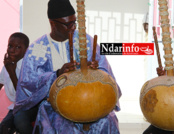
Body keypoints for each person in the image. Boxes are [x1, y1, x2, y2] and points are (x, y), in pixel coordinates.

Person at [13, 0, 121, 134]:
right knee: (65, 126)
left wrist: (93, 70)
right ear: (52, 23)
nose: (73, 27)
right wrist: (57, 74)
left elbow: (106, 73)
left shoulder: (85, 41)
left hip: (90, 101)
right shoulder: (37, 48)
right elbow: (28, 83)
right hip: (55, 106)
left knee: (107, 119)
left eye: (74, 22)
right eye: (68, 24)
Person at [0, 32, 29, 134]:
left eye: (18, 47)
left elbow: (23, 96)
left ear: (26, 50)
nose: (12, 50)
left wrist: (11, 72)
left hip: (29, 106)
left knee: (20, 122)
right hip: (15, 107)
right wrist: (8, 69)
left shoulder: (28, 67)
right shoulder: (7, 65)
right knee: (3, 128)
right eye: (10, 46)